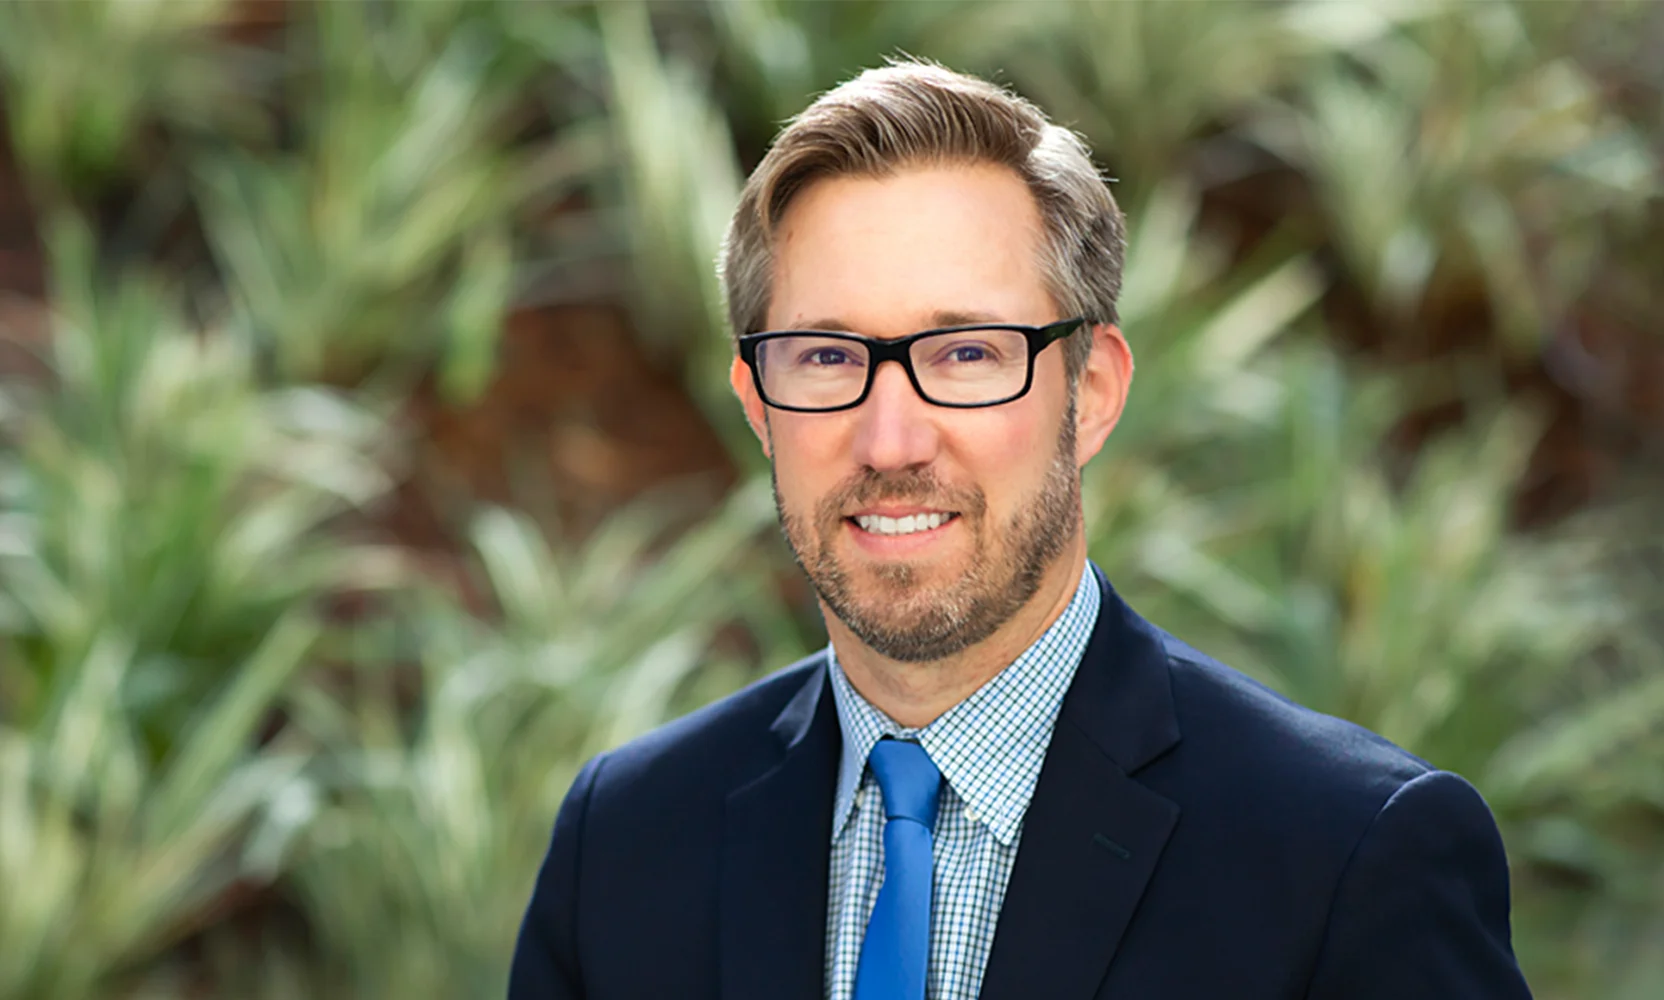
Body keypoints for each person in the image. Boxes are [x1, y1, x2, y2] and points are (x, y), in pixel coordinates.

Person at [509, 60, 1534, 1000]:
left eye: (965, 354)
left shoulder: (1348, 857)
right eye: (826, 357)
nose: (891, 439)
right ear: (756, 404)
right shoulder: (627, 841)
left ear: (1092, 392)